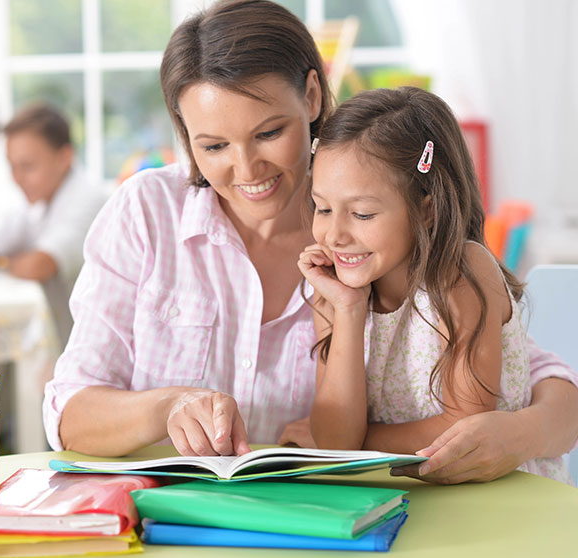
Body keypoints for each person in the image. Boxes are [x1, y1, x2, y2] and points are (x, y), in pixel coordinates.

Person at [42, 0, 578, 483]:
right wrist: (167, 406)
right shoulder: (146, 212)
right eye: (213, 145)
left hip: (335, 514)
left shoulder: (373, 239)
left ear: (314, 95)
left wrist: (521, 433)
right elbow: (69, 413)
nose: (247, 168)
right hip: (172, 512)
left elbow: (527, 380)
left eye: (269, 133)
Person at [299, 87, 569, 483]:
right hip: (405, 492)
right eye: (322, 207)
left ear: (427, 207)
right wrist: (349, 310)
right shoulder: (333, 294)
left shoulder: (459, 273)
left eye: (361, 213)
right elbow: (335, 437)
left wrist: (357, 447)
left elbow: (463, 430)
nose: (333, 234)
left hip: (498, 492)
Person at [0, 104, 107, 292]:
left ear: (65, 158)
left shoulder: (89, 200)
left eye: (27, 166)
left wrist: (4, 263)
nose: (16, 178)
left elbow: (37, 267)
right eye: (12, 166)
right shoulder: (39, 201)